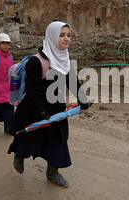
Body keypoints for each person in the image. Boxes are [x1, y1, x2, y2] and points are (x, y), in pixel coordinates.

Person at [7, 21, 90, 188]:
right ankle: (19, 156)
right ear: (52, 37)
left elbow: (72, 81)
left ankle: (53, 172)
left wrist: (83, 100)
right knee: (30, 137)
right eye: (62, 35)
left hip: (56, 107)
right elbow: (32, 91)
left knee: (57, 141)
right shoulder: (36, 62)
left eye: (68, 35)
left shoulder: (65, 59)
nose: (67, 39)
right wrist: (41, 112)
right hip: (34, 107)